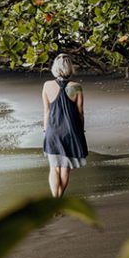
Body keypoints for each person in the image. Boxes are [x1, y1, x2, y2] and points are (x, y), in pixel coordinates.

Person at [42, 53, 88, 197]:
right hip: (71, 131)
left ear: (55, 68)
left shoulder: (47, 86)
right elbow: (80, 112)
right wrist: (80, 130)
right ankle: (59, 199)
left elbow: (47, 111)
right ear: (70, 68)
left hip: (53, 130)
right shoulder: (76, 87)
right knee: (64, 168)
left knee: (54, 167)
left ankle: (55, 200)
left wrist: (45, 130)